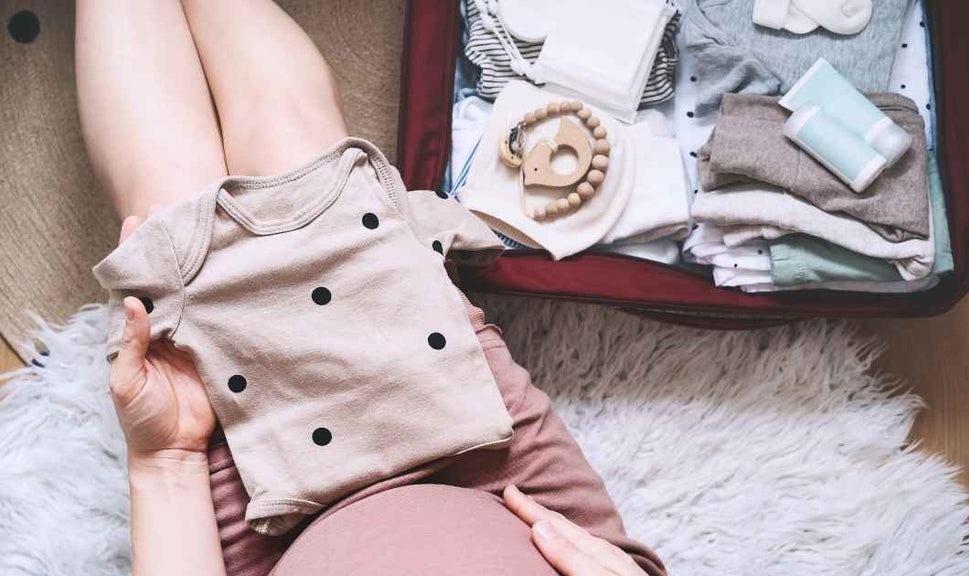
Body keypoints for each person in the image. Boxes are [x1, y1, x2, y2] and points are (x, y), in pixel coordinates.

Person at [75, 2, 665, 575]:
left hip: (274, 515)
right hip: (486, 464)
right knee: (299, 146)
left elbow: (170, 463)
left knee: (171, 206)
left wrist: (167, 461)